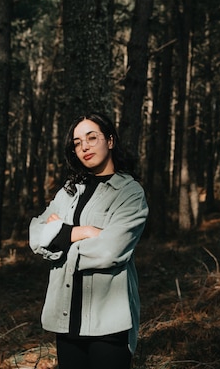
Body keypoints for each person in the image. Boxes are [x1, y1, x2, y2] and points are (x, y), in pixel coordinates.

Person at [29, 112, 148, 369]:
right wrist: (81, 232)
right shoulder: (70, 191)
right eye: (77, 142)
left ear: (111, 141)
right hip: (66, 317)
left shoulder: (130, 193)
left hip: (109, 322)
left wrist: (59, 238)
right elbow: (36, 235)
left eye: (92, 138)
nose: (84, 146)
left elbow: (110, 250)